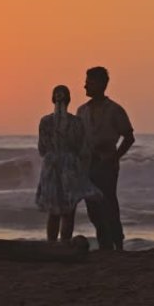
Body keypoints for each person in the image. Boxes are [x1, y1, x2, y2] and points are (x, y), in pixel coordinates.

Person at [77, 66, 135, 250]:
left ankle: (118, 244)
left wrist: (115, 157)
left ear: (102, 84)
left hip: (106, 163)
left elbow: (129, 136)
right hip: (87, 164)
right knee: (92, 208)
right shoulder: (81, 111)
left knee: (109, 204)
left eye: (90, 82)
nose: (85, 86)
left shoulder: (114, 110)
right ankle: (105, 244)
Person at [36, 85, 102, 242]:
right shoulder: (68, 122)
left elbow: (42, 148)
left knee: (61, 209)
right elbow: (80, 148)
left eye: (59, 95)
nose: (58, 98)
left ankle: (57, 245)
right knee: (61, 209)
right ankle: (58, 244)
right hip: (61, 165)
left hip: (59, 165)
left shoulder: (54, 122)